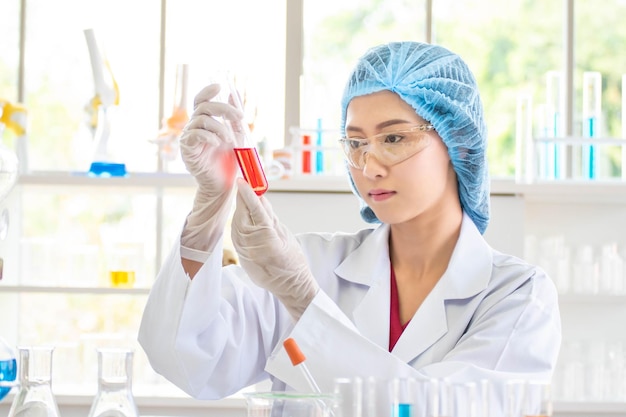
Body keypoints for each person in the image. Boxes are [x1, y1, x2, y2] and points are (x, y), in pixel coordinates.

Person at [138, 41, 561, 402]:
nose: (369, 165)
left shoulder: (517, 296)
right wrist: (211, 206)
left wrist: (304, 300)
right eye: (356, 143)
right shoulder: (310, 262)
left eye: (393, 138)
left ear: (457, 142)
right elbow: (187, 358)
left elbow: (444, 409)